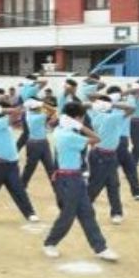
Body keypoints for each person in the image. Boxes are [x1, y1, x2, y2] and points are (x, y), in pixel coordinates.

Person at [42, 102, 119, 261]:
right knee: (68, 214)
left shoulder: (61, 130)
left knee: (87, 212)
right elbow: (97, 138)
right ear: (77, 118)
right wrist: (80, 126)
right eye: (82, 118)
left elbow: (55, 125)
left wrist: (73, 123)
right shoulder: (70, 136)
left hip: (74, 178)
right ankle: (50, 243)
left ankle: (100, 248)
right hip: (69, 179)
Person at [86, 90, 136, 225]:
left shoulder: (95, 114)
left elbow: (86, 102)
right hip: (103, 155)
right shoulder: (112, 118)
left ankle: (116, 212)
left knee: (112, 183)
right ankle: (82, 207)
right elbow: (131, 108)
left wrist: (97, 104)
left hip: (105, 154)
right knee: (97, 184)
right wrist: (113, 104)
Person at [0, 100, 40, 222]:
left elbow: (15, 116)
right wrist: (17, 108)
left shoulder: (4, 123)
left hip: (11, 164)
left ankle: (29, 213)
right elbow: (14, 114)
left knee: (18, 189)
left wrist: (21, 108)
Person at [20, 99, 56, 189]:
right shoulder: (40, 117)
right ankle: (57, 187)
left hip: (32, 143)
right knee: (50, 167)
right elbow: (53, 110)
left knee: (29, 167)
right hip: (41, 143)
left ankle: (22, 186)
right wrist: (42, 103)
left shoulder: (28, 114)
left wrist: (38, 104)